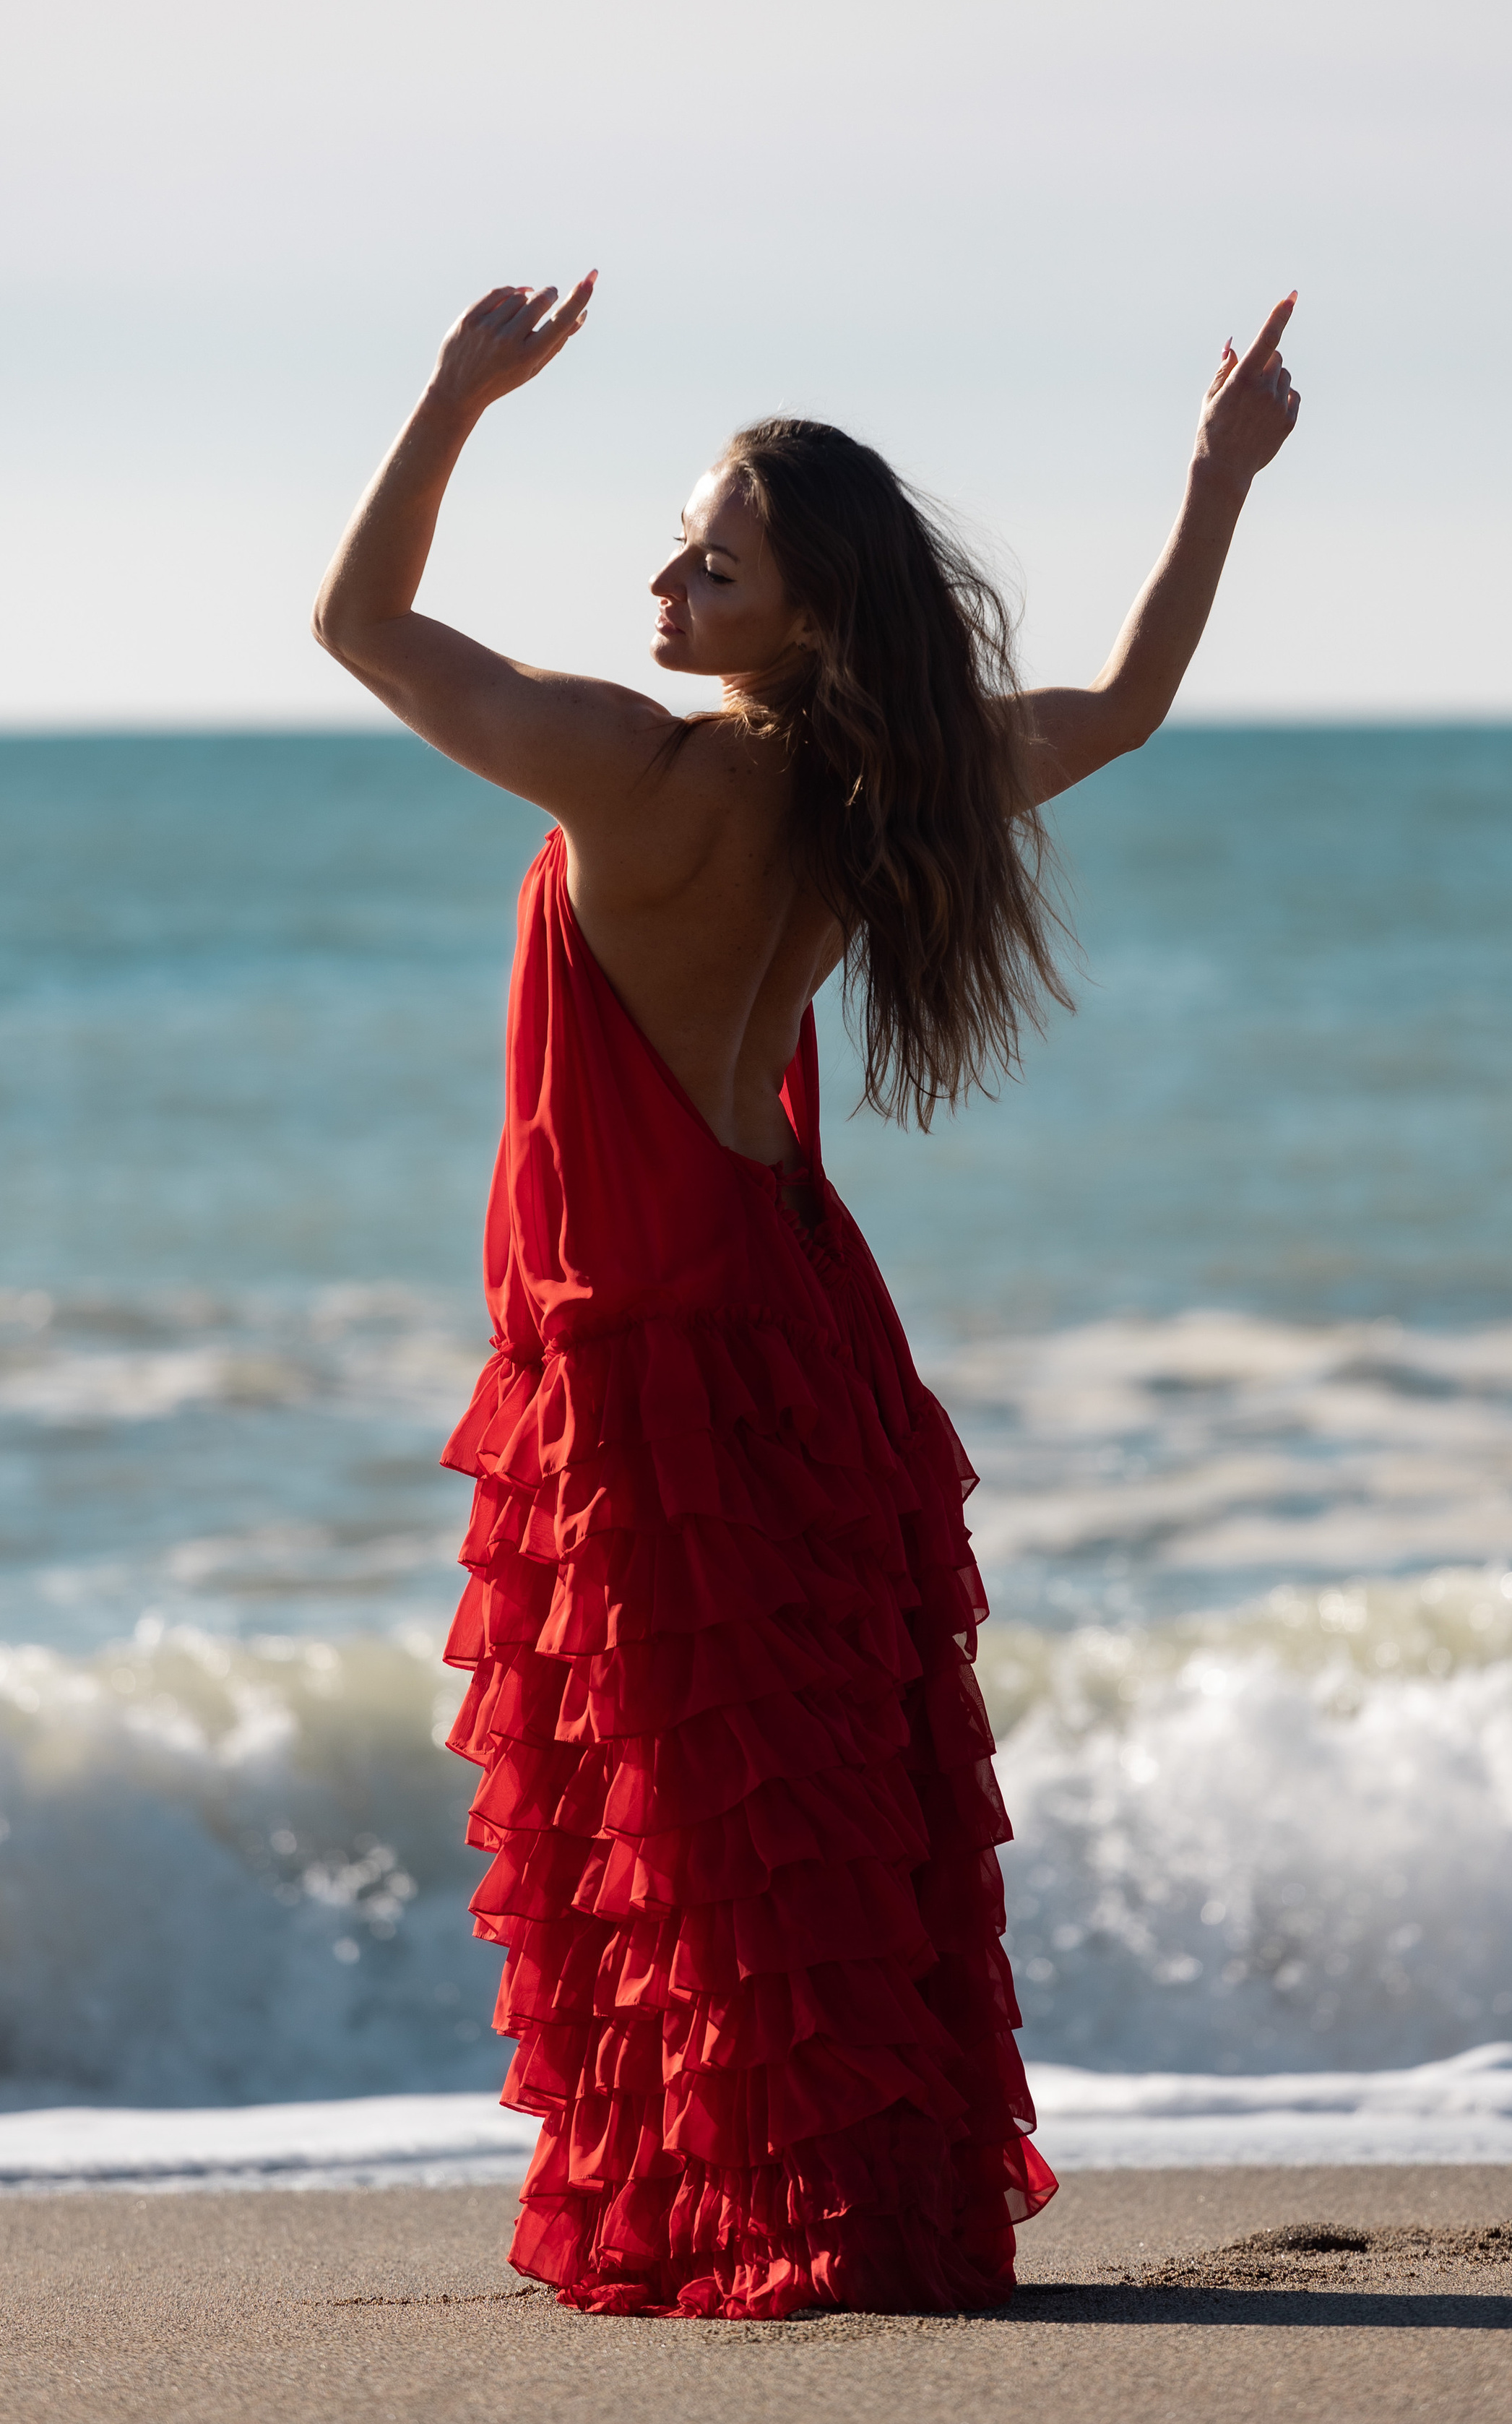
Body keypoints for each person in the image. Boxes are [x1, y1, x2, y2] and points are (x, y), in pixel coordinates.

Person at [314, 277, 1300, 2317]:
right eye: (681, 547)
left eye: (714, 564)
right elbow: (1125, 704)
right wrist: (1217, 480)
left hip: (647, 1333)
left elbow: (361, 625)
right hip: (795, 1311)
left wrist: (453, 397)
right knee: (813, 1770)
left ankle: (785, 2207)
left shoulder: (631, 769)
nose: (666, 583)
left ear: (808, 612)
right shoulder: (890, 788)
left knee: (704, 1796)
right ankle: (849, 2182)